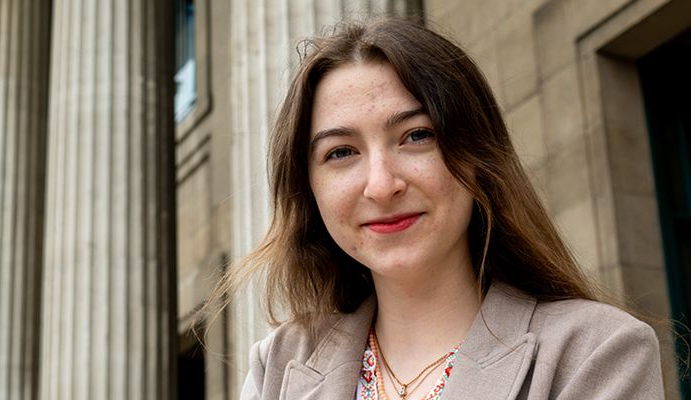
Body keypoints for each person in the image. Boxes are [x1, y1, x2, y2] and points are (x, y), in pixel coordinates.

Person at [204, 17, 665, 399]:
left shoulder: (596, 352)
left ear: (477, 155)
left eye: (417, 136)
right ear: (310, 191)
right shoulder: (280, 364)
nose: (382, 185)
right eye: (341, 152)